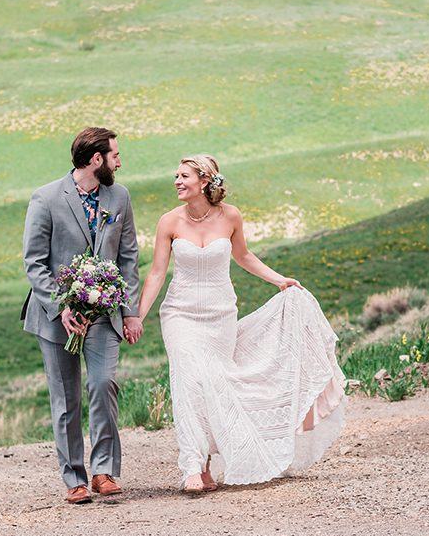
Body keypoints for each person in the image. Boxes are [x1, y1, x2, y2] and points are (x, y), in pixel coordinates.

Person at [135, 155, 345, 493]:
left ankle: (206, 467)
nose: (176, 181)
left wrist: (280, 281)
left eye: (184, 176)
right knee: (188, 381)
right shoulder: (168, 222)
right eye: (176, 175)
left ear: (204, 181)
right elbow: (157, 272)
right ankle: (192, 465)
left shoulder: (230, 216)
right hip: (179, 314)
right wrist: (137, 317)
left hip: (220, 316)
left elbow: (243, 256)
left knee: (215, 383)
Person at [22, 127, 142, 504]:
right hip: (56, 317)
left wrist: (129, 312)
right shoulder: (45, 198)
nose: (119, 161)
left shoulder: (119, 196)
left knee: (103, 384)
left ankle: (103, 471)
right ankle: (74, 477)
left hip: (105, 314)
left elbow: (128, 258)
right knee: (66, 398)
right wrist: (62, 308)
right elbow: (35, 263)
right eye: (115, 155)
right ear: (96, 160)